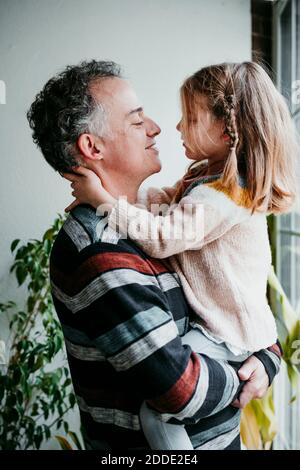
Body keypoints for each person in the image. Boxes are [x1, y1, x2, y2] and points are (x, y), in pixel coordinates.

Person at [27, 60, 282, 450]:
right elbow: (180, 390)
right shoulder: (100, 250)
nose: (159, 127)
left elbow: (230, 304)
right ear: (92, 146)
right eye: (136, 120)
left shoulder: (156, 222)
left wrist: (266, 359)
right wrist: (247, 375)